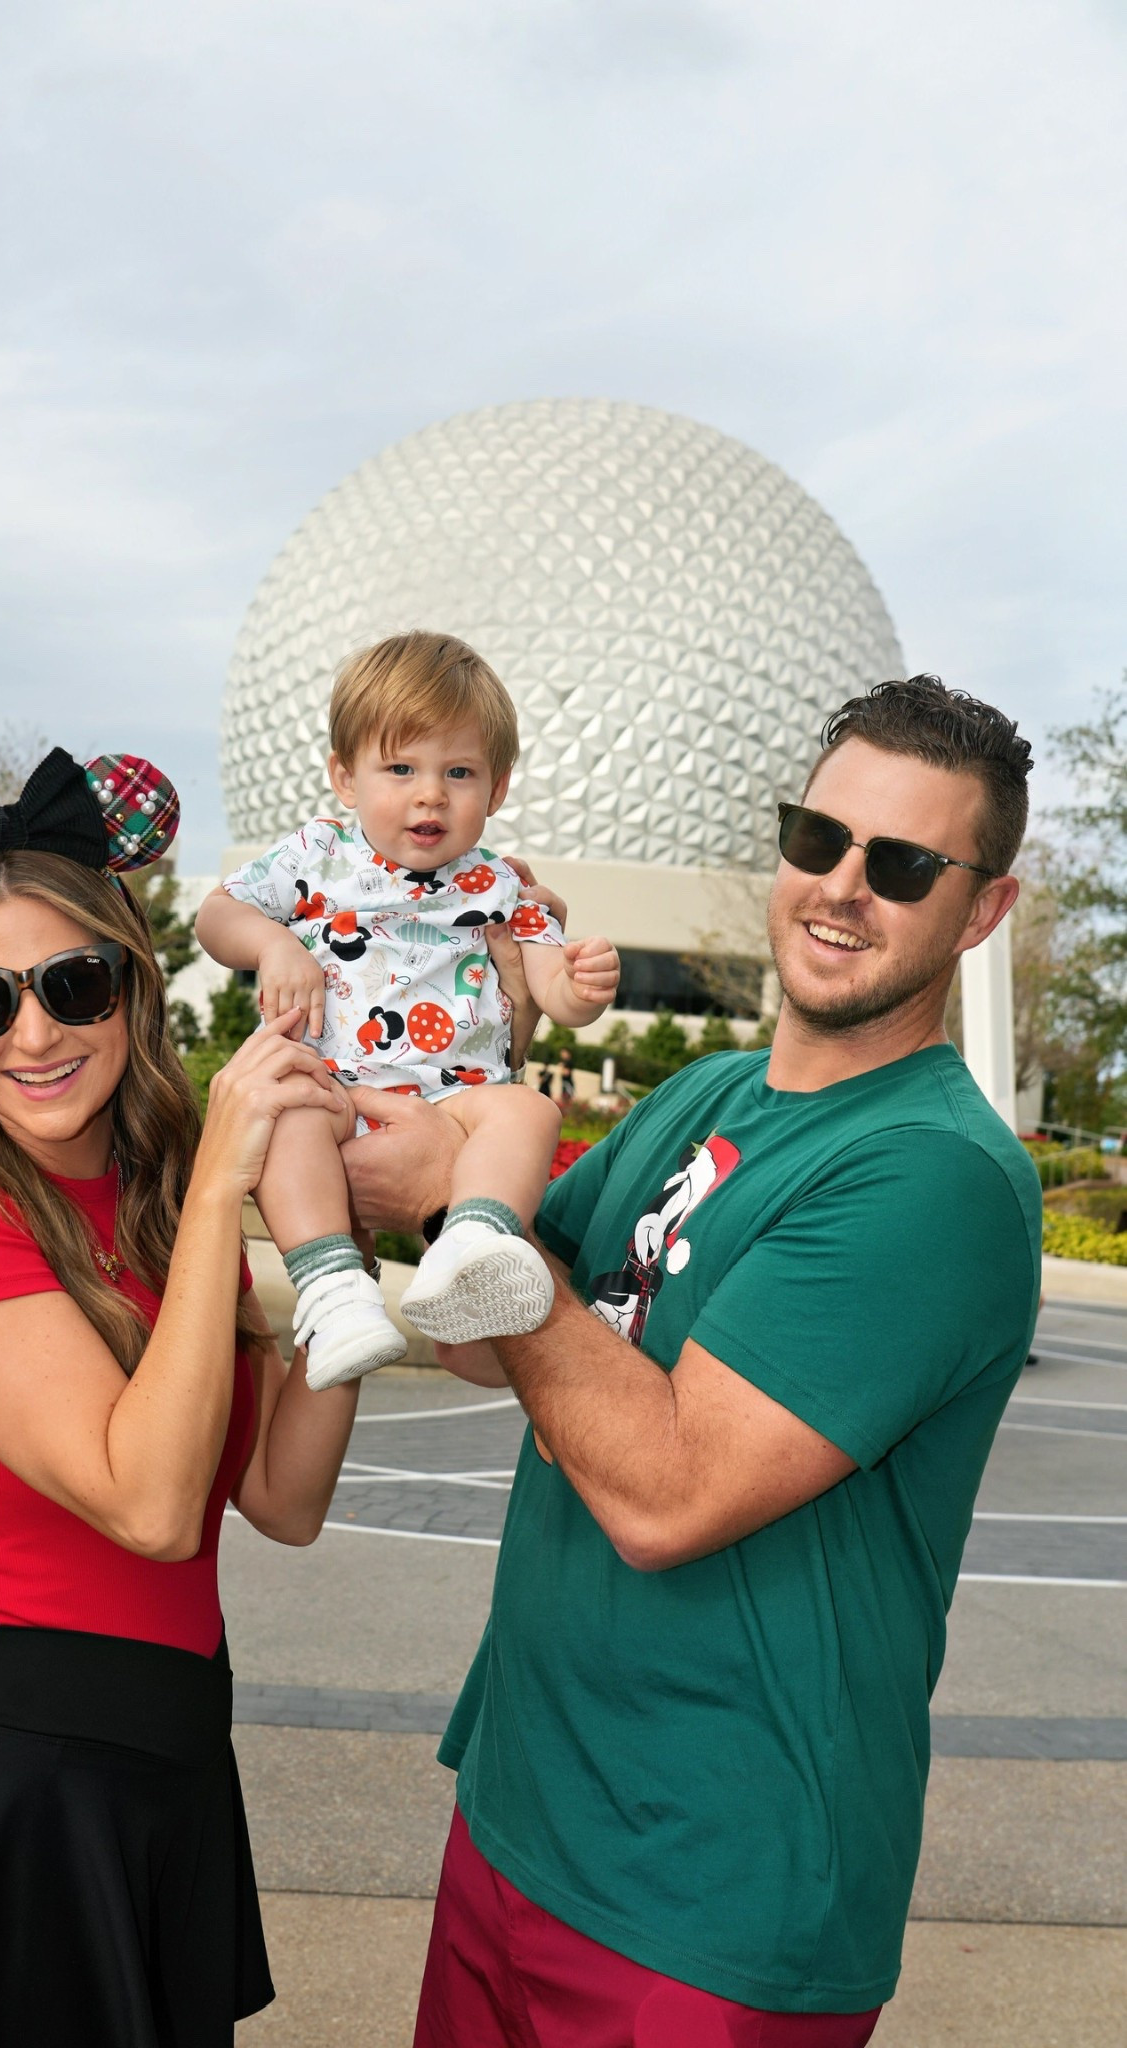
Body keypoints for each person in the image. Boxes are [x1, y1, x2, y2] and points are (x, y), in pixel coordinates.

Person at [339, 677, 1042, 2046]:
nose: (840, 888)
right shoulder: (707, 1097)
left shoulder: (935, 1177)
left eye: (901, 865)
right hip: (519, 1815)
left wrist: (473, 1213)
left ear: (984, 908)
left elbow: (664, 1492)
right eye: (815, 838)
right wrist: (412, 1175)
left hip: (710, 1904)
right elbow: (498, 1344)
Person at [0, 748, 362, 2048]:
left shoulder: (156, 1206)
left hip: (167, 1775)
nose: (31, 1035)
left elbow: (286, 1498)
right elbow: (148, 1508)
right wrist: (222, 1187)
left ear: (133, 986)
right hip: (10, 1798)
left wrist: (333, 1253)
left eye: (71, 984)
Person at [196, 632, 620, 1391]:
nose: (430, 794)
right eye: (401, 768)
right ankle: (333, 1290)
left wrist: (580, 987)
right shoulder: (315, 854)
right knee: (288, 1121)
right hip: (333, 1085)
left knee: (527, 1114)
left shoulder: (500, 884)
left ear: (496, 791)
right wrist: (272, 946)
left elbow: (551, 986)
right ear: (344, 776)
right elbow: (216, 916)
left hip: (455, 1097)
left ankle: (471, 1246)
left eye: (458, 772)